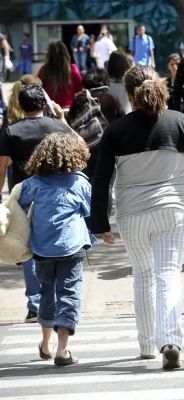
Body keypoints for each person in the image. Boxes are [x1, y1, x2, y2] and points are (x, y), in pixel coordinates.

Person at [90, 65, 184, 369]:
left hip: (132, 213)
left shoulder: (116, 130)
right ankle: (170, 341)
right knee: (168, 274)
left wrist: (99, 223)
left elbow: (101, 179)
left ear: (129, 94)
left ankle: (147, 345)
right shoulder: (181, 123)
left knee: (143, 275)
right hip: (173, 210)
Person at [19, 132, 98, 366]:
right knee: (70, 294)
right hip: (71, 247)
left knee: (46, 292)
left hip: (42, 248)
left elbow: (18, 204)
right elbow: (89, 211)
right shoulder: (80, 182)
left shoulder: (33, 183)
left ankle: (45, 344)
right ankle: (63, 350)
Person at [0, 83, 73, 325]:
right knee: (52, 245)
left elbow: (1, 168)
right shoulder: (57, 127)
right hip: (54, 193)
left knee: (26, 247)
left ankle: (35, 303)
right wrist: (62, 119)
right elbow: (79, 150)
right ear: (44, 104)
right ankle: (53, 300)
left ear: (21, 105)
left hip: (23, 195)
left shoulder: (11, 131)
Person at [38, 41, 83, 109]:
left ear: (49, 56)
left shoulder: (43, 70)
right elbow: (79, 92)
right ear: (66, 54)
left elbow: (38, 90)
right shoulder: (73, 69)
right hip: (69, 111)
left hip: (50, 112)